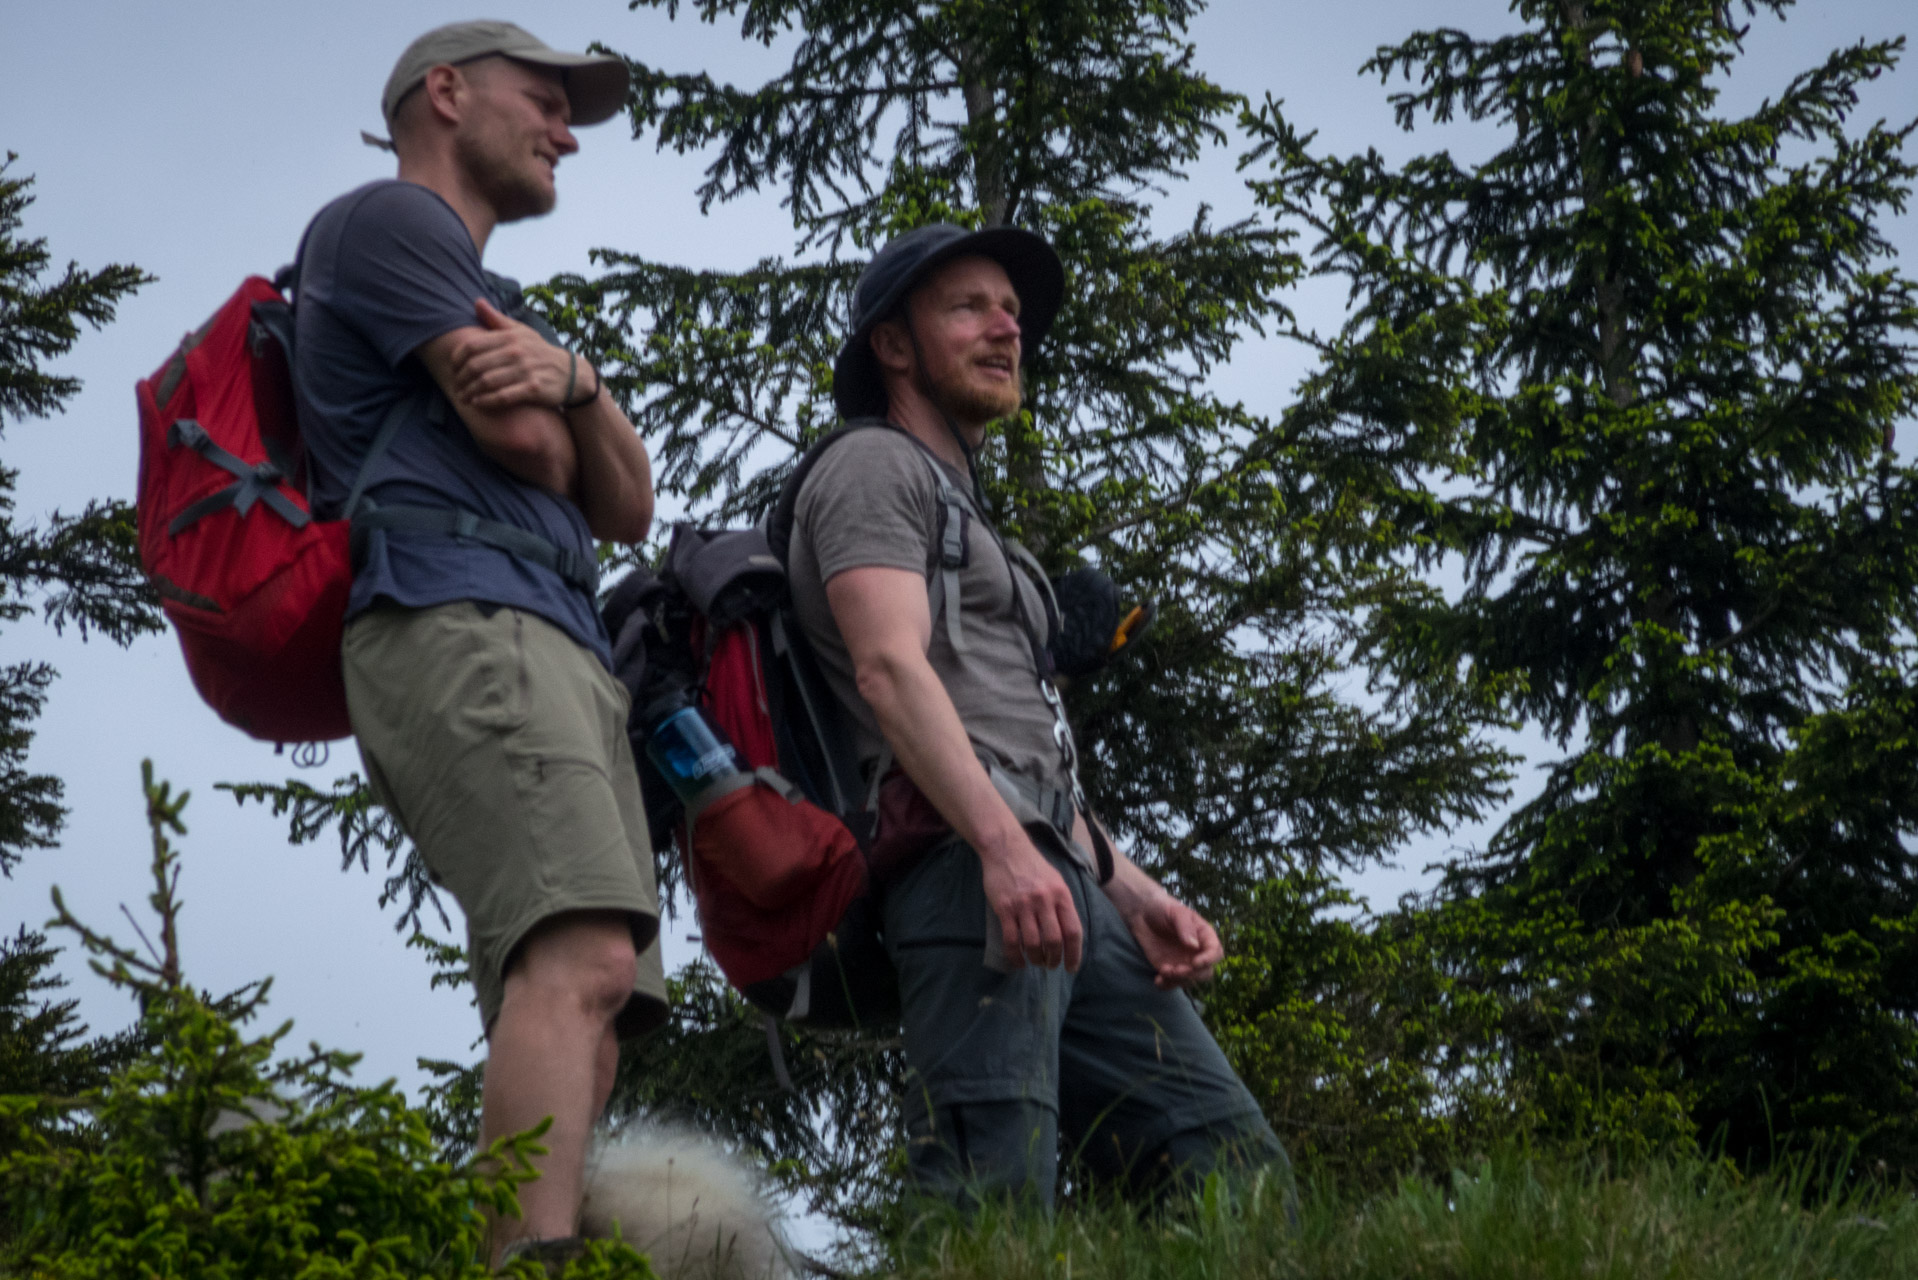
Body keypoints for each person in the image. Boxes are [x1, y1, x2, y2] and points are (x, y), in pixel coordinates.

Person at [786, 224, 1288, 1208]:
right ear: (893, 346)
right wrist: (1000, 847)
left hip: (1052, 874)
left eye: (1011, 310)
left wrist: (1133, 892)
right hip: (962, 869)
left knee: (1234, 1174)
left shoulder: (967, 518)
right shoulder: (868, 468)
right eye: (967, 306)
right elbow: (889, 669)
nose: (1005, 327)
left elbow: (1028, 755)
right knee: (989, 1198)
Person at [292, 21, 665, 1265]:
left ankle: (529, 1241)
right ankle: (532, 1262)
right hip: (464, 612)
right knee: (580, 952)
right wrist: (563, 405)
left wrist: (576, 384)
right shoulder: (389, 225)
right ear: (444, 95)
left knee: (599, 996)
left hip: (550, 635)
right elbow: (524, 444)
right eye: (545, 100)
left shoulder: (497, 298)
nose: (567, 129)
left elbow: (626, 504)